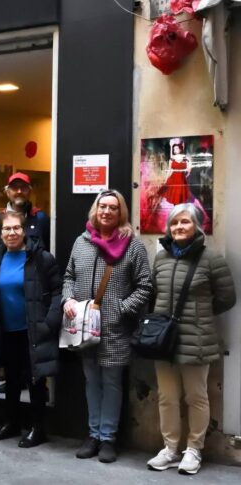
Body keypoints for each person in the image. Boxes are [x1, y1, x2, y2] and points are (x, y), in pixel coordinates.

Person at [62, 189, 153, 463]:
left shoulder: (133, 246)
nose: (107, 211)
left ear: (121, 212)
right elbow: (68, 275)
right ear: (95, 209)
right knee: (92, 382)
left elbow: (145, 285)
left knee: (112, 383)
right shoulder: (82, 242)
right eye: (102, 206)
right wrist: (67, 298)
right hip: (83, 327)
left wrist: (122, 309)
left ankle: (108, 438)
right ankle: (93, 434)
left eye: (113, 207)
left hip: (115, 329)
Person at [146, 203, 236, 475]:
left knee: (196, 397)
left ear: (197, 226)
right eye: (174, 223)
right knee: (167, 397)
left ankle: (194, 450)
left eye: (185, 222)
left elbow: (227, 297)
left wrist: (201, 317)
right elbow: (154, 294)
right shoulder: (161, 258)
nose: (178, 228)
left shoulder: (212, 260)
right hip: (164, 340)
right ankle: (170, 448)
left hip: (197, 339)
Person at [0, 211, 62, 447]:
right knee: (12, 380)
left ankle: (38, 429)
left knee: (35, 381)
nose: (11, 233)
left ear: (25, 230)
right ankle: (11, 424)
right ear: (0, 233)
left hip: (33, 331)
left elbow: (59, 291)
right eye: (6, 229)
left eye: (16, 228)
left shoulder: (41, 258)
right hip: (5, 331)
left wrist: (49, 323)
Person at [0, 172, 50, 254]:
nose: (19, 191)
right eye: (14, 188)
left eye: (24, 187)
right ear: (8, 192)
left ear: (30, 191)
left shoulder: (40, 218)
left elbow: (48, 250)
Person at [162, 139, 191, 205]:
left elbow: (189, 169)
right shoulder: (171, 159)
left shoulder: (186, 158)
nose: (175, 150)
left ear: (180, 149)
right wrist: (166, 179)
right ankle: (176, 208)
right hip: (174, 178)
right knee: (174, 196)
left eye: (177, 148)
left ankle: (179, 208)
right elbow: (169, 170)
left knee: (181, 196)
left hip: (181, 178)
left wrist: (186, 176)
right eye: (174, 149)